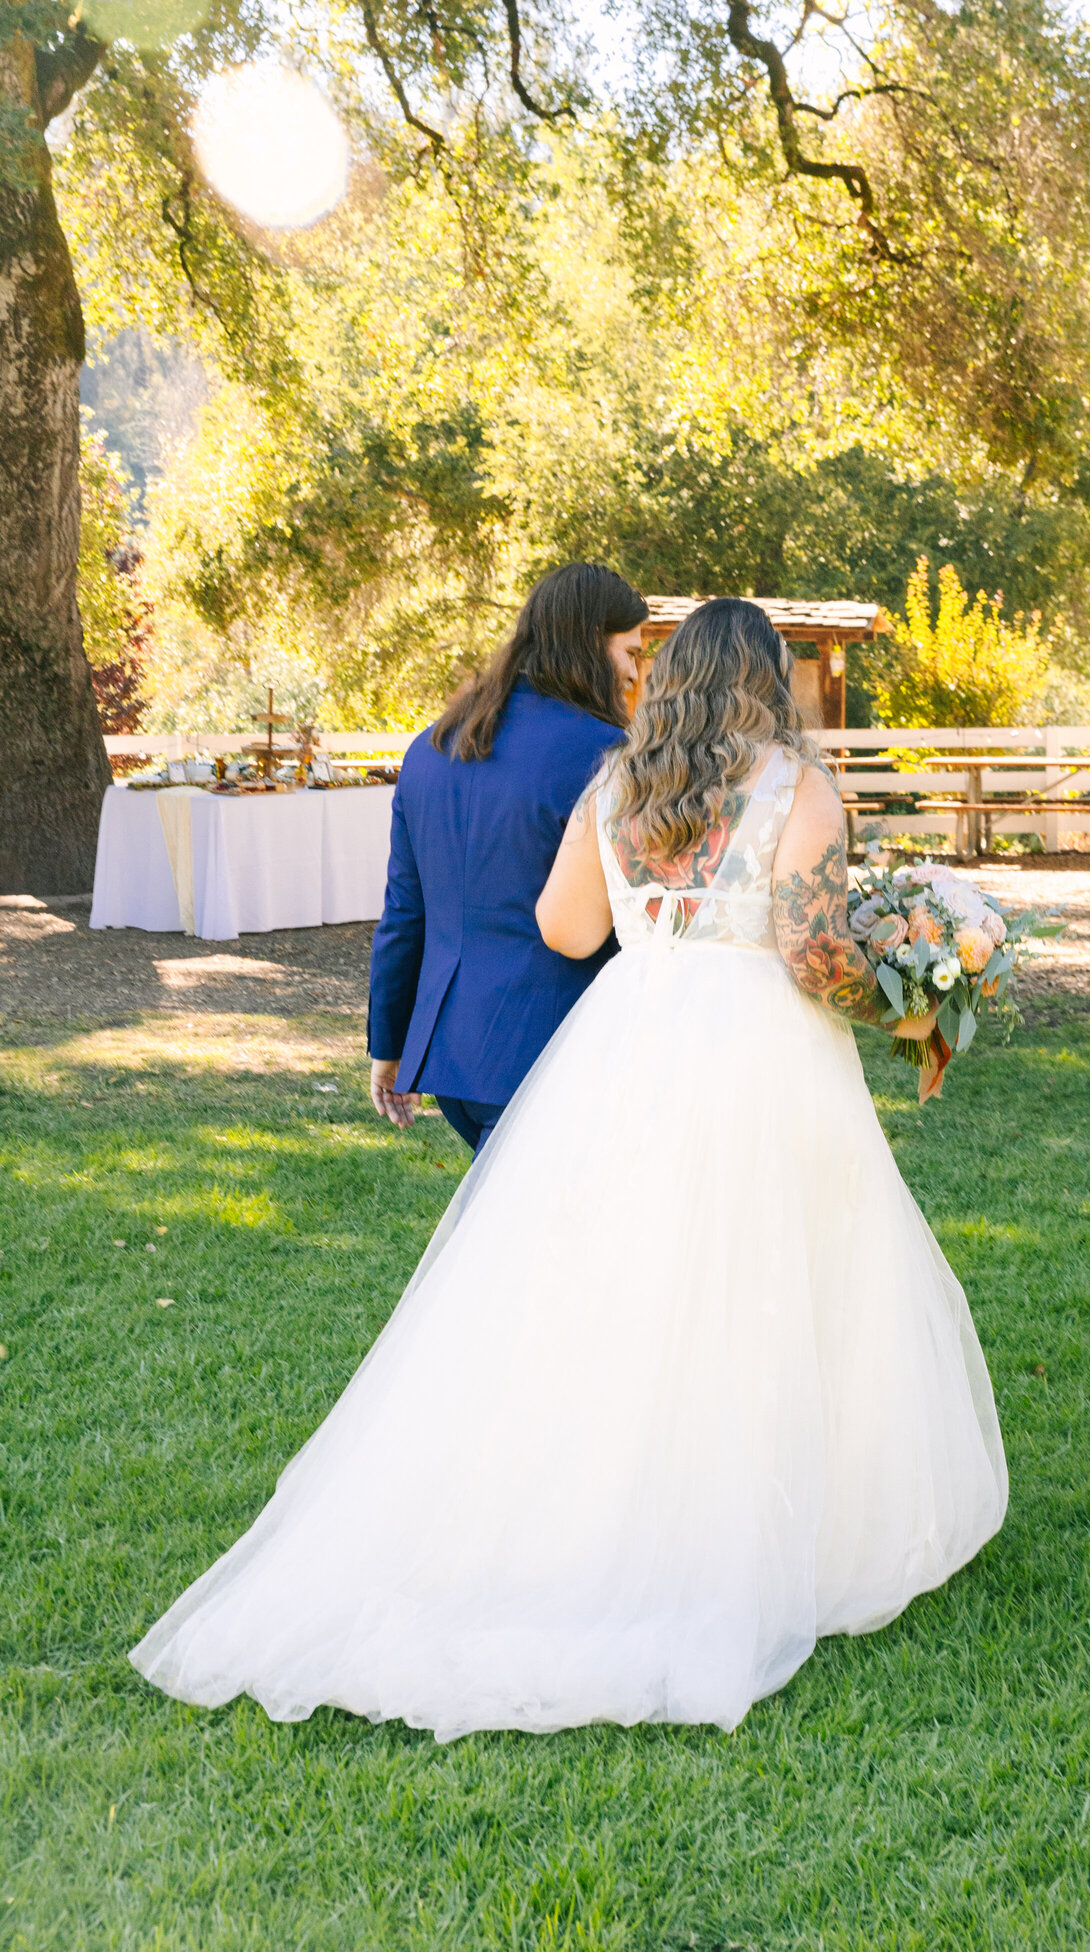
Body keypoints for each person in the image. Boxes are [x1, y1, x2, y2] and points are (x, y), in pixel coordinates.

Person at [130, 598, 1008, 1739]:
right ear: (763, 680)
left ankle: (593, 1517)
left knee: (613, 1284)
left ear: (676, 677)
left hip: (629, 1042)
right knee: (777, 1272)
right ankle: (759, 1525)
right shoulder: (799, 786)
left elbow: (560, 927)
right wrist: (914, 991)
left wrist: (663, 926)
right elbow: (810, 949)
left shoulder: (616, 787)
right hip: (761, 1049)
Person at [366, 562, 648, 1155]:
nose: (633, 671)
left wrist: (388, 1047)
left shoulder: (429, 747)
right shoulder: (606, 754)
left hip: (451, 1054)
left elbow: (402, 914)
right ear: (591, 642)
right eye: (630, 650)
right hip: (550, 1048)